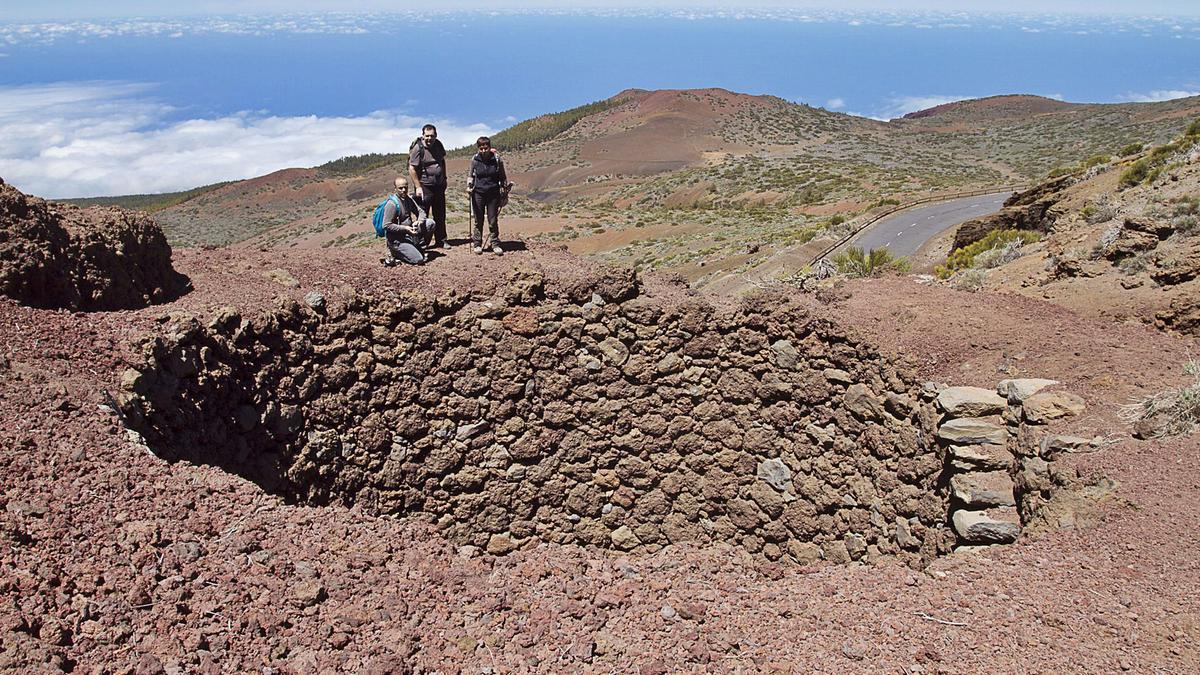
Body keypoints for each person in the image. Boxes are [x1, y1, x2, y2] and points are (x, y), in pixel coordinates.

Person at [466, 136, 511, 255]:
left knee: (493, 220)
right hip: (478, 193)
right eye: (481, 148)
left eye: (486, 148)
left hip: (493, 194)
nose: (483, 151)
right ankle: (477, 244)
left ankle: (495, 243)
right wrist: (469, 186)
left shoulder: (496, 159)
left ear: (489, 147)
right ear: (478, 148)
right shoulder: (475, 160)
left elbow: (502, 175)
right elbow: (471, 175)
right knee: (478, 220)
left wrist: (504, 188)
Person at [408, 124, 450, 249]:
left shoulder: (438, 145)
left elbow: (442, 162)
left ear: (436, 135)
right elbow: (412, 168)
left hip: (438, 185)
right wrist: (418, 186)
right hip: (424, 186)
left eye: (432, 136)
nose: (429, 138)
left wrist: (445, 178)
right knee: (423, 215)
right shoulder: (418, 149)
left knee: (440, 214)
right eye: (427, 136)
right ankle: (421, 242)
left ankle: (441, 240)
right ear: (423, 135)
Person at [380, 178, 432, 266]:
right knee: (418, 259)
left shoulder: (408, 199)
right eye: (400, 188)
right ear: (395, 189)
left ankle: (419, 248)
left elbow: (421, 212)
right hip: (397, 240)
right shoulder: (392, 204)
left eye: (405, 187)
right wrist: (405, 228)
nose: (404, 190)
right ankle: (395, 252)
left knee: (430, 223)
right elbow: (386, 225)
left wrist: (419, 221)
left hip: (409, 234)